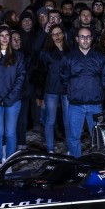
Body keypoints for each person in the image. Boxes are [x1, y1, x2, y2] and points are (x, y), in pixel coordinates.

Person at [61, 27, 105, 158]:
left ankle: (96, 162)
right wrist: (72, 91)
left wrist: (98, 91)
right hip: (75, 105)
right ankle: (77, 164)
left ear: (92, 39)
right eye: (82, 36)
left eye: (88, 37)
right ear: (77, 39)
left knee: (98, 137)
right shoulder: (69, 57)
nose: (85, 39)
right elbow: (64, 78)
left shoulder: (100, 57)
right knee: (73, 137)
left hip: (95, 104)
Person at [0, 25, 26, 164]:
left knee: (10, 133)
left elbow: (20, 78)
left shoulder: (18, 56)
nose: (5, 38)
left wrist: (10, 98)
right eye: (2, 35)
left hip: (12, 101)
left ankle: (9, 163)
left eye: (7, 35)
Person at [35, 24, 69, 152]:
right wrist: (39, 94)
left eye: (59, 33)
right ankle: (50, 148)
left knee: (67, 121)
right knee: (50, 120)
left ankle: (70, 147)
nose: (57, 36)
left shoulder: (70, 50)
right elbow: (41, 74)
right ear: (50, 36)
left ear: (63, 34)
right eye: (54, 34)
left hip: (66, 90)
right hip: (51, 90)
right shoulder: (45, 53)